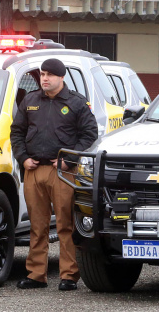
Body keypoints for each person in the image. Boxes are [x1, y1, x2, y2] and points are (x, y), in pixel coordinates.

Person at [10, 58, 98, 291]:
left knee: (65, 224)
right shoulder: (30, 100)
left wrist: (69, 160)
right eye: (42, 74)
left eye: (50, 74)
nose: (44, 78)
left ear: (61, 77)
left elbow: (89, 134)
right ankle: (36, 274)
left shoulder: (76, 103)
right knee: (37, 226)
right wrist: (22, 158)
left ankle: (69, 275)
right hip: (34, 170)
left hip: (62, 173)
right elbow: (17, 132)